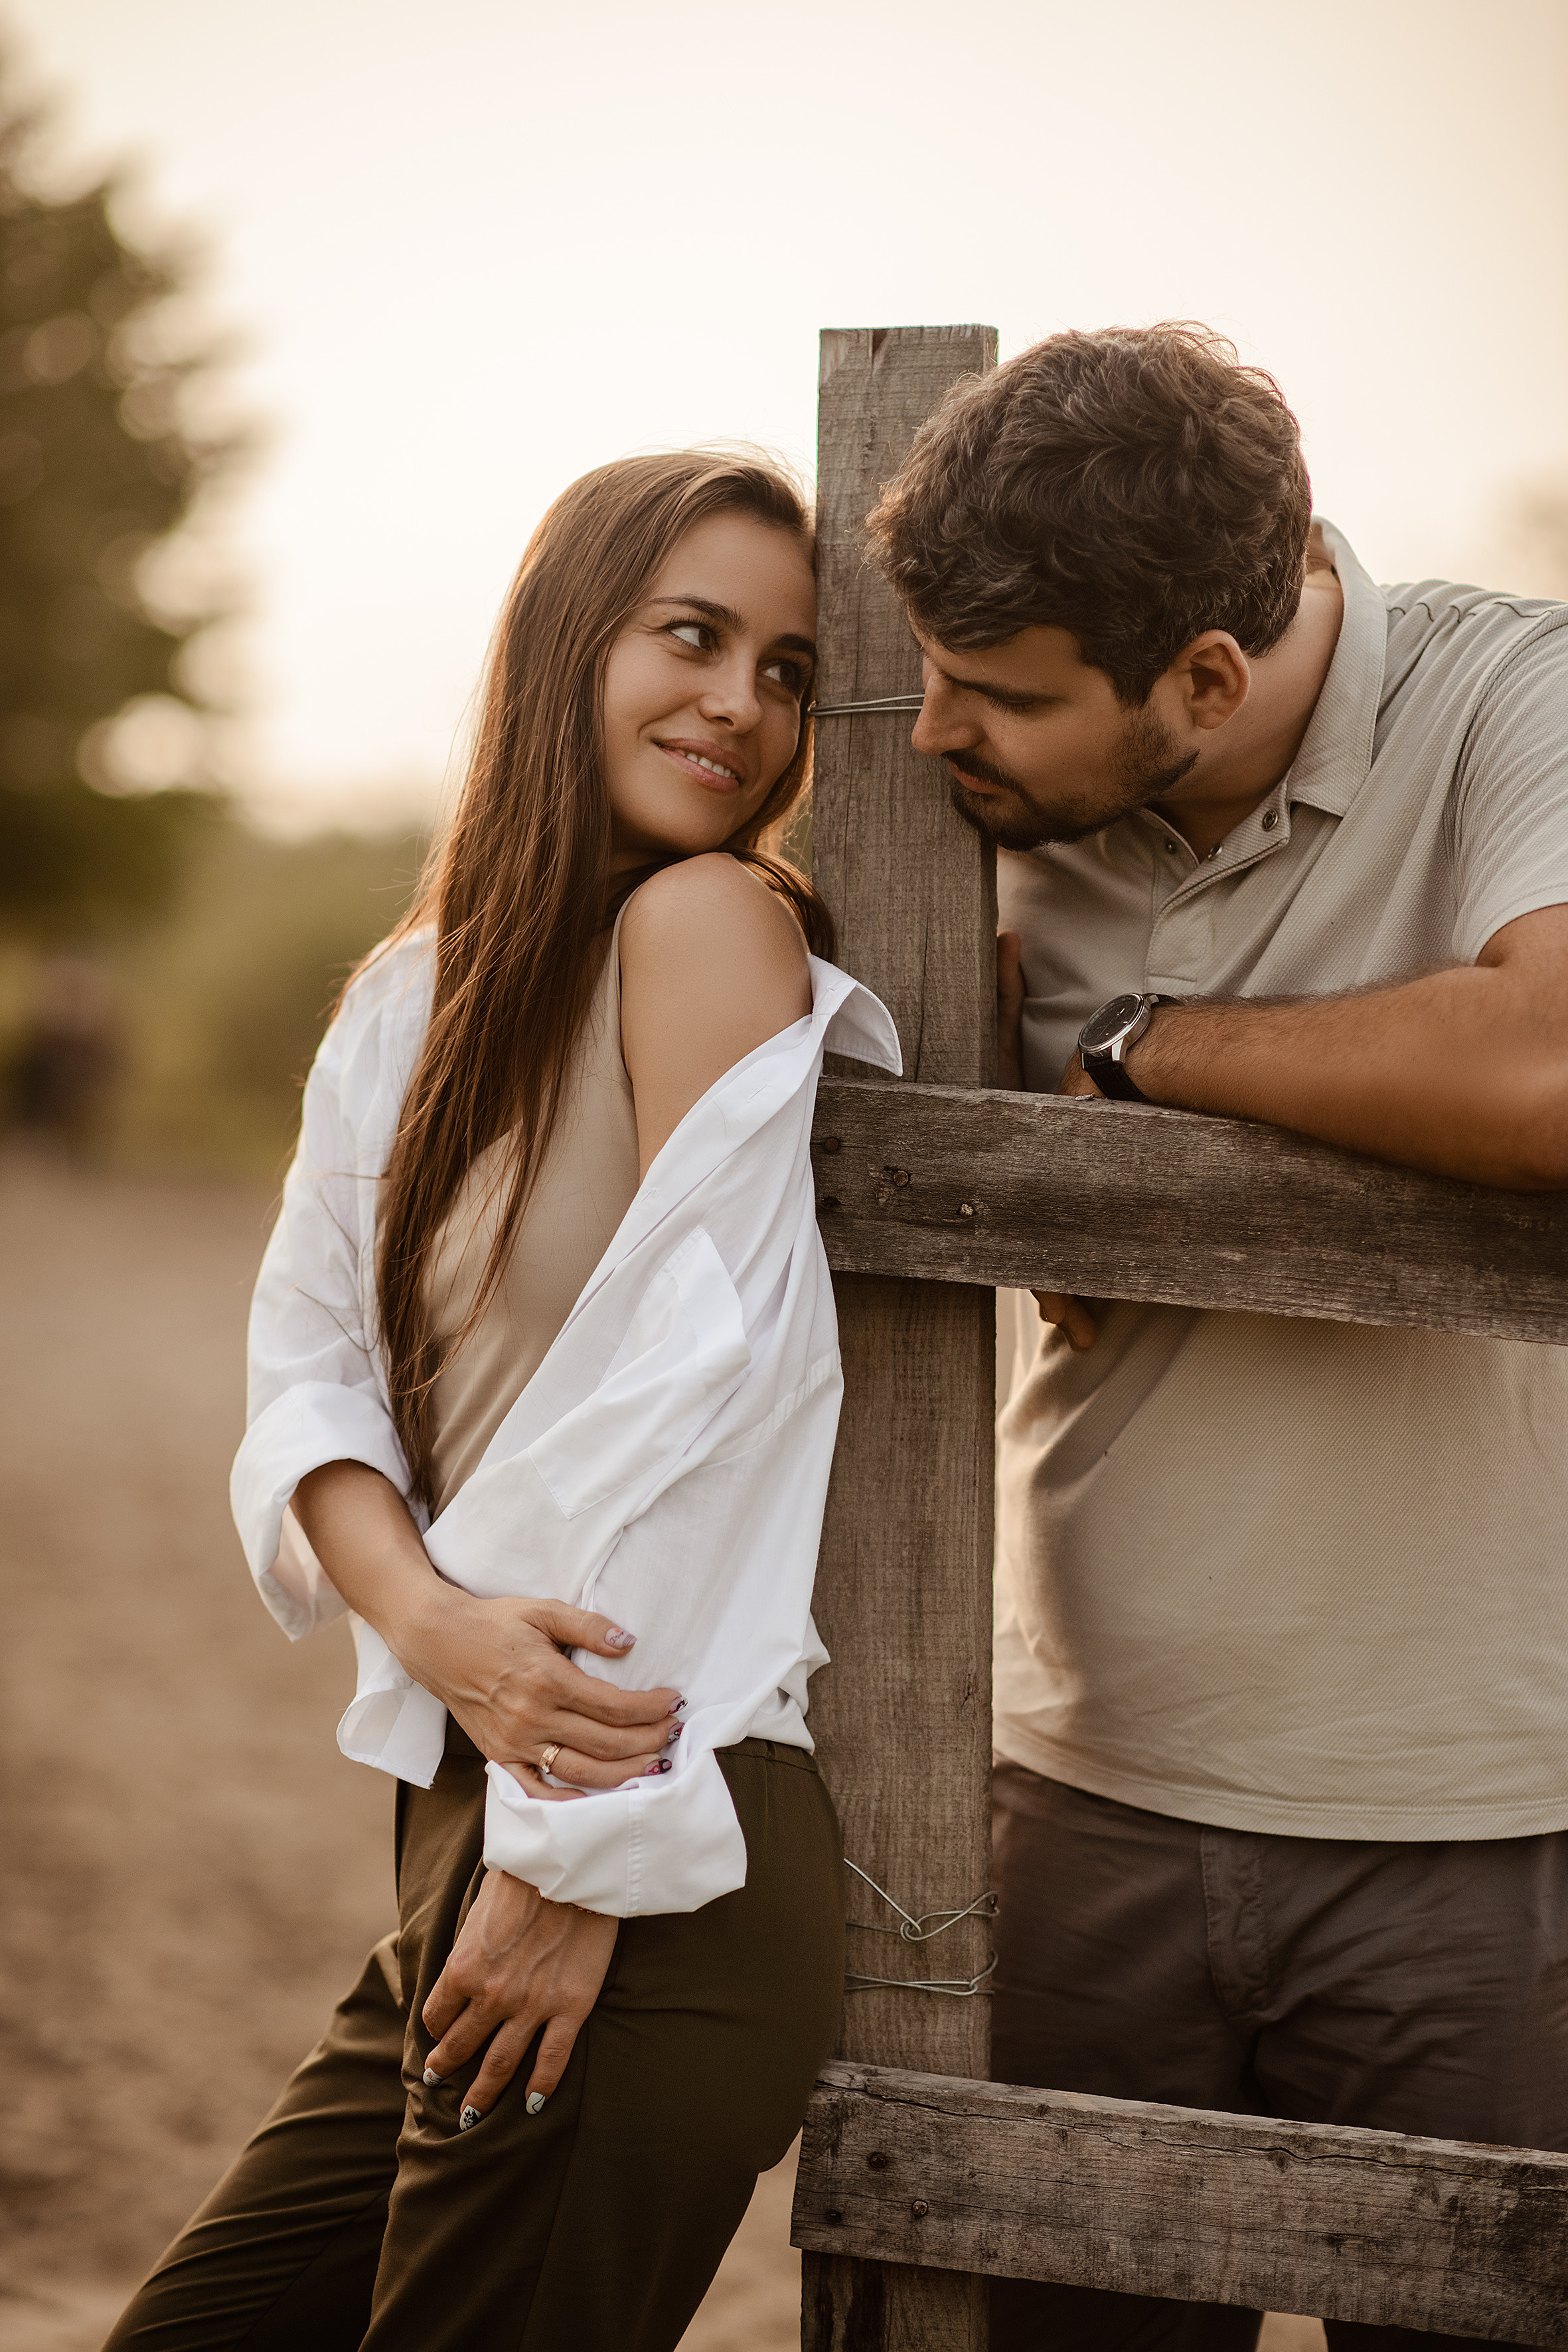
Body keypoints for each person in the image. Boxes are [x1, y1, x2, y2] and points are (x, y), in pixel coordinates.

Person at [104, 449, 899, 2352]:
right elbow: (307, 1371)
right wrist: (436, 1625)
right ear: (564, 643)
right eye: (689, 636)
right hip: (474, 1806)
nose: (738, 704)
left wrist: (573, 1868)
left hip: (654, 1845)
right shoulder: (414, 996)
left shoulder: (708, 929)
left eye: (787, 669)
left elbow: (696, 1414)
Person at [866, 323, 1568, 2352]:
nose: (928, 735)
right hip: (1076, 1782)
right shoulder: (963, 814)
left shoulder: (1509, 693)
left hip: (1477, 1824)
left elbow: (1551, 1070)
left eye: (996, 695)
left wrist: (1134, 1051)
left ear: (1201, 679)